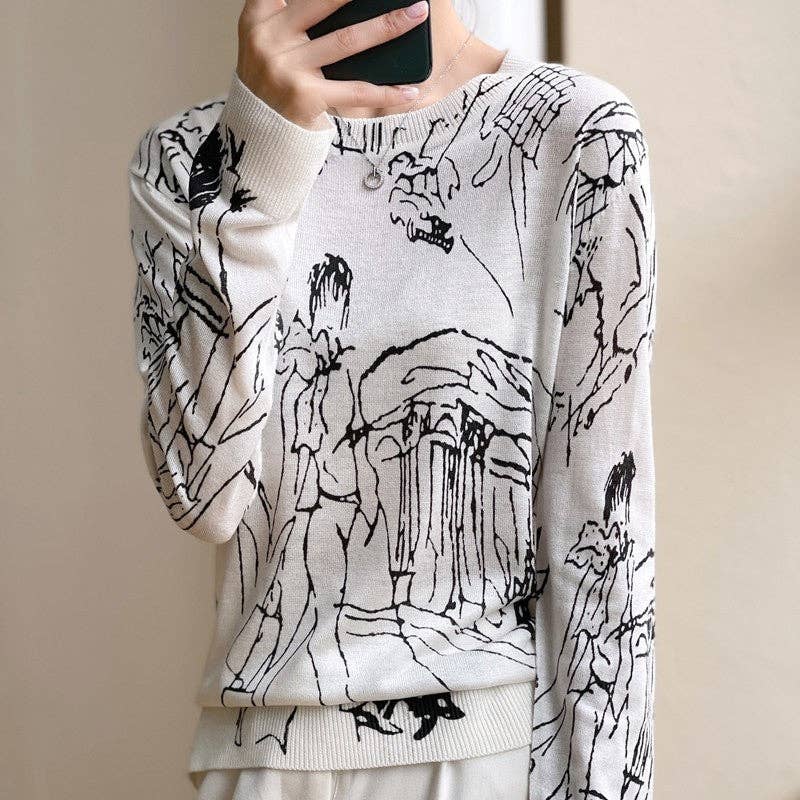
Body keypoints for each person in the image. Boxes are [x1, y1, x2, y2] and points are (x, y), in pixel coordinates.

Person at [126, 1, 658, 798]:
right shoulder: (186, 159)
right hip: (260, 760)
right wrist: (262, 156)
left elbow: (604, 532)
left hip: (485, 759)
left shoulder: (574, 134)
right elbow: (202, 493)